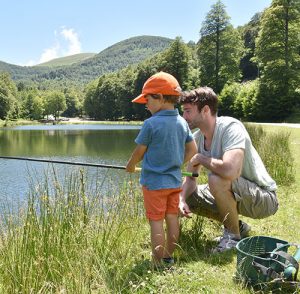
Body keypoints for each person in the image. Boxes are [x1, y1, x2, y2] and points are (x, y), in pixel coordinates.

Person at [179, 87, 278, 253]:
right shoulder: (197, 138)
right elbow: (190, 178)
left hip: (263, 199)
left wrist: (201, 158)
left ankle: (232, 238)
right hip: (239, 193)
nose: (184, 117)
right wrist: (181, 199)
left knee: (216, 179)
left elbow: (231, 172)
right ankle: (238, 227)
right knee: (188, 195)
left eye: (188, 111)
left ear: (205, 110)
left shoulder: (231, 128)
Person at [126, 72, 197, 266]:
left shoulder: (150, 124)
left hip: (154, 185)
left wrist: (131, 165)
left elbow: (139, 151)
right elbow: (193, 149)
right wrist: (176, 164)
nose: (146, 105)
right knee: (172, 219)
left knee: (156, 222)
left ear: (159, 97)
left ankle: (157, 262)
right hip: (174, 182)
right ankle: (168, 256)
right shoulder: (182, 123)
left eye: (147, 100)